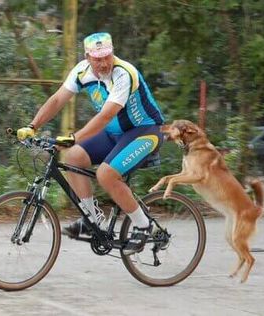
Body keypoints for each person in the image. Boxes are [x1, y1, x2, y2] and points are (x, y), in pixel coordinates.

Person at [17, 32, 165, 255]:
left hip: (144, 131)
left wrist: (74, 137)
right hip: (114, 133)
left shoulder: (124, 73)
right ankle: (91, 218)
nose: (104, 62)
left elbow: (105, 116)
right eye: (97, 58)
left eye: (107, 56)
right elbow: (58, 99)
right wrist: (33, 125)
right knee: (73, 156)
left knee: (106, 174)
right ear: (87, 57)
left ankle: (144, 226)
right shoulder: (81, 72)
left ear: (113, 52)